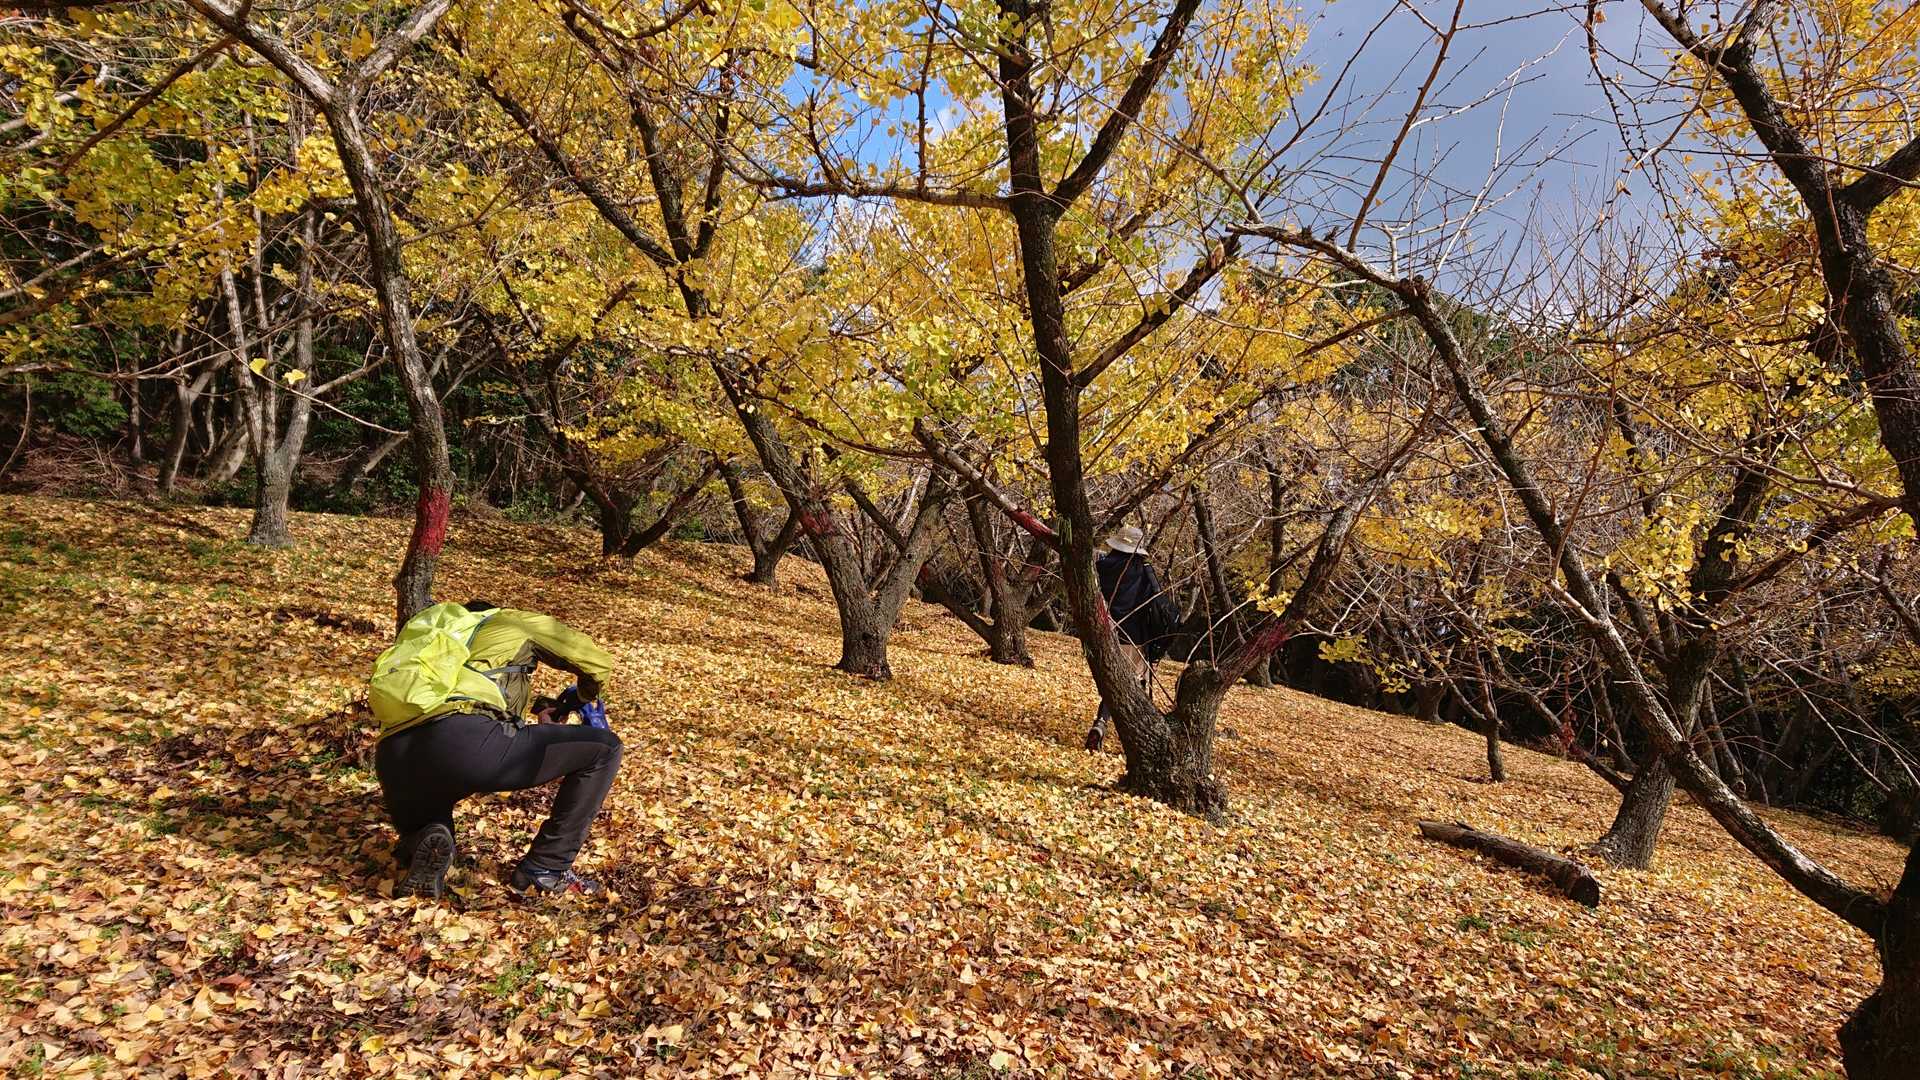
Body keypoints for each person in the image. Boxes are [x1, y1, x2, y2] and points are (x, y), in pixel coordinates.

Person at [372, 599, 622, 899]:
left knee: (430, 816)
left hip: (393, 758)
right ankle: (547, 868)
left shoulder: (433, 635)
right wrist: (579, 698)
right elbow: (597, 664)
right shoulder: (509, 621)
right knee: (606, 749)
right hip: (463, 742)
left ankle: (421, 839)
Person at [1085, 525, 1181, 751]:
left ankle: (1101, 723)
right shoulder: (1142, 571)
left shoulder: (1100, 566)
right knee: (1135, 682)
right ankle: (1133, 731)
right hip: (1134, 636)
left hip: (1103, 632)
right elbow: (1154, 604)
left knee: (1112, 680)